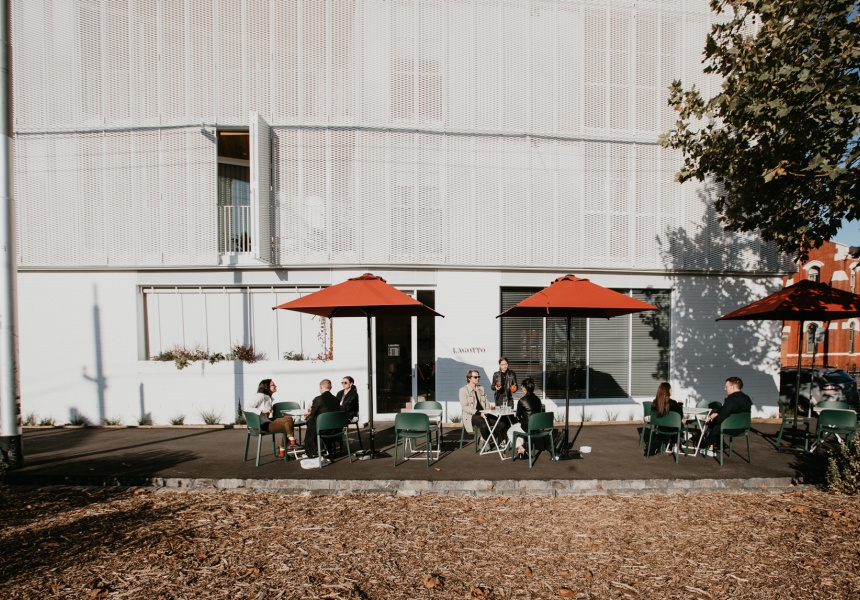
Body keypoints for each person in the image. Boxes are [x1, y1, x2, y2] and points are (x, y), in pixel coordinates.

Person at [702, 376, 753, 457]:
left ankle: (711, 448)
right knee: (717, 418)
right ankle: (717, 445)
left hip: (729, 429)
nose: (724, 389)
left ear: (732, 387)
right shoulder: (747, 398)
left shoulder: (731, 400)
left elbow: (719, 419)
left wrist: (713, 417)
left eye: (726, 386)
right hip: (743, 428)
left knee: (713, 422)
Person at [244, 379, 301, 449]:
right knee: (287, 427)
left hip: (266, 421)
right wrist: (262, 411)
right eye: (273, 385)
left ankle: (291, 442)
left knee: (289, 419)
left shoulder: (268, 398)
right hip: (259, 425)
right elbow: (246, 408)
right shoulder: (260, 396)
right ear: (267, 387)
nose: (275, 386)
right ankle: (286, 448)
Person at [458, 369, 509, 447]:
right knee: (484, 425)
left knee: (501, 424)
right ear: (469, 378)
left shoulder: (481, 388)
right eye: (475, 377)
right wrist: (479, 413)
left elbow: (487, 402)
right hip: (472, 415)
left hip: (485, 413)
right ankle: (488, 440)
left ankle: (483, 439)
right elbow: (464, 406)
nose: (478, 378)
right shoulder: (463, 390)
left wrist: (489, 411)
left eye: (478, 377)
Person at [506, 377, 543, 459]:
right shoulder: (538, 400)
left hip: (527, 427)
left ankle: (522, 449)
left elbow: (517, 416)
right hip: (537, 427)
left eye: (522, 386)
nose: (522, 388)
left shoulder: (522, 400)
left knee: (510, 431)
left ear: (525, 388)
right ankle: (520, 453)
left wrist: (520, 420)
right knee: (518, 430)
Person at [303, 379, 341, 458]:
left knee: (311, 422)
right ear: (331, 387)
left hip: (323, 429)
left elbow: (313, 414)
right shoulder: (336, 399)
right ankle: (326, 449)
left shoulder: (318, 399)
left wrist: (308, 416)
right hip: (335, 429)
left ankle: (310, 451)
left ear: (320, 387)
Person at [651, 382, 684, 454]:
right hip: (672, 428)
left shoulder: (654, 403)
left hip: (660, 427)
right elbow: (680, 416)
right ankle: (675, 444)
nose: (671, 390)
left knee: (673, 423)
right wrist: (680, 405)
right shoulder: (673, 403)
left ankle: (676, 442)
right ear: (667, 391)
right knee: (677, 424)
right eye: (670, 389)